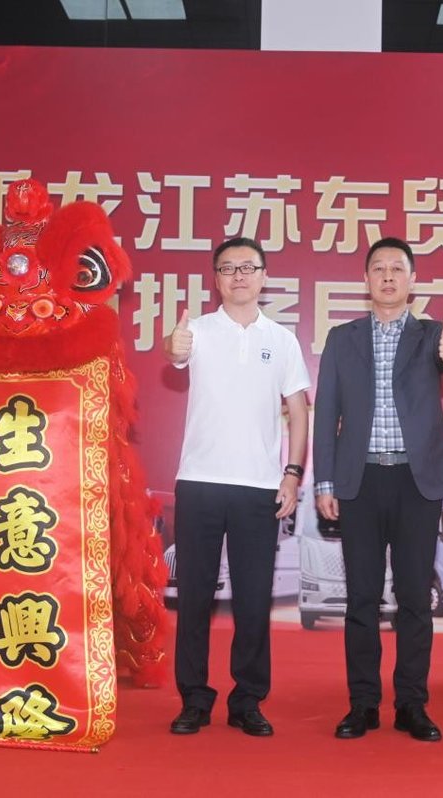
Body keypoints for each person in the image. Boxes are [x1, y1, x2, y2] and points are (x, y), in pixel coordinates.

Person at [313, 237, 443, 742]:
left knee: (414, 598)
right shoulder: (343, 338)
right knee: (360, 598)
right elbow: (326, 412)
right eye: (378, 268)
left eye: (396, 269)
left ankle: (411, 704)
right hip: (359, 482)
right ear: (365, 280)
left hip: (415, 482)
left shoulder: (432, 335)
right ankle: (362, 705)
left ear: (412, 280)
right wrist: (324, 480)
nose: (387, 276)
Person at [163, 237, 310, 737]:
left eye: (248, 267)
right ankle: (194, 699)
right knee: (194, 598)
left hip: (259, 488)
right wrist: (174, 346)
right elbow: (175, 352)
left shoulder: (282, 340)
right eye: (228, 268)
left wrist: (293, 473)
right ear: (217, 279)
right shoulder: (198, 331)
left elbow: (297, 411)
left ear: (264, 276)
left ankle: (247, 699)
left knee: (252, 600)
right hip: (199, 483)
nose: (239, 276)